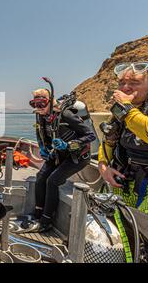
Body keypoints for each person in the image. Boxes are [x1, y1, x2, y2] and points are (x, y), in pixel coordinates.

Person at [98, 61, 148, 231]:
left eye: (134, 83)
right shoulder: (123, 112)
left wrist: (127, 108)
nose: (125, 87)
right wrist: (103, 166)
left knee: (140, 235)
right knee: (105, 228)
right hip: (129, 181)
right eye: (122, 83)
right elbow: (109, 140)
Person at [21, 88, 96, 233]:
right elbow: (40, 133)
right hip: (57, 155)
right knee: (40, 177)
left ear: (50, 101)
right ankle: (37, 215)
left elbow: (90, 135)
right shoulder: (41, 116)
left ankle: (46, 221)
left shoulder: (66, 115)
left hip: (76, 157)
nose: (38, 108)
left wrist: (69, 145)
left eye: (41, 103)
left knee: (52, 181)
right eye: (34, 104)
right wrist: (43, 148)